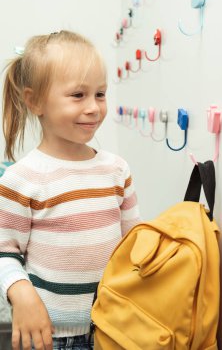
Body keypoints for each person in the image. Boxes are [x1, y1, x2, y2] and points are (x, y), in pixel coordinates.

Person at [0, 30, 140, 350]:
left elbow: (134, 243)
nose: (93, 108)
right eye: (78, 95)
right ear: (34, 101)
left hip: (114, 327)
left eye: (100, 94)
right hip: (50, 336)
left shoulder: (117, 170)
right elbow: (4, 252)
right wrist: (21, 295)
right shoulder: (21, 179)